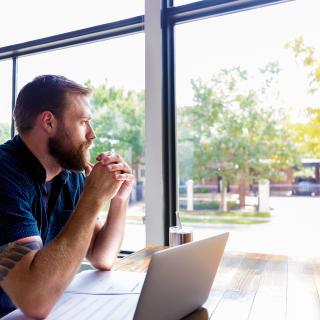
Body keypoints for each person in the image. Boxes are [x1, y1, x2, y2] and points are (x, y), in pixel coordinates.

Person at [0, 75, 134, 318]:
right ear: (49, 122)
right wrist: (92, 198)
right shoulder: (4, 176)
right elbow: (34, 300)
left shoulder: (70, 175)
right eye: (83, 122)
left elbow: (102, 257)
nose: (92, 134)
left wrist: (118, 199)